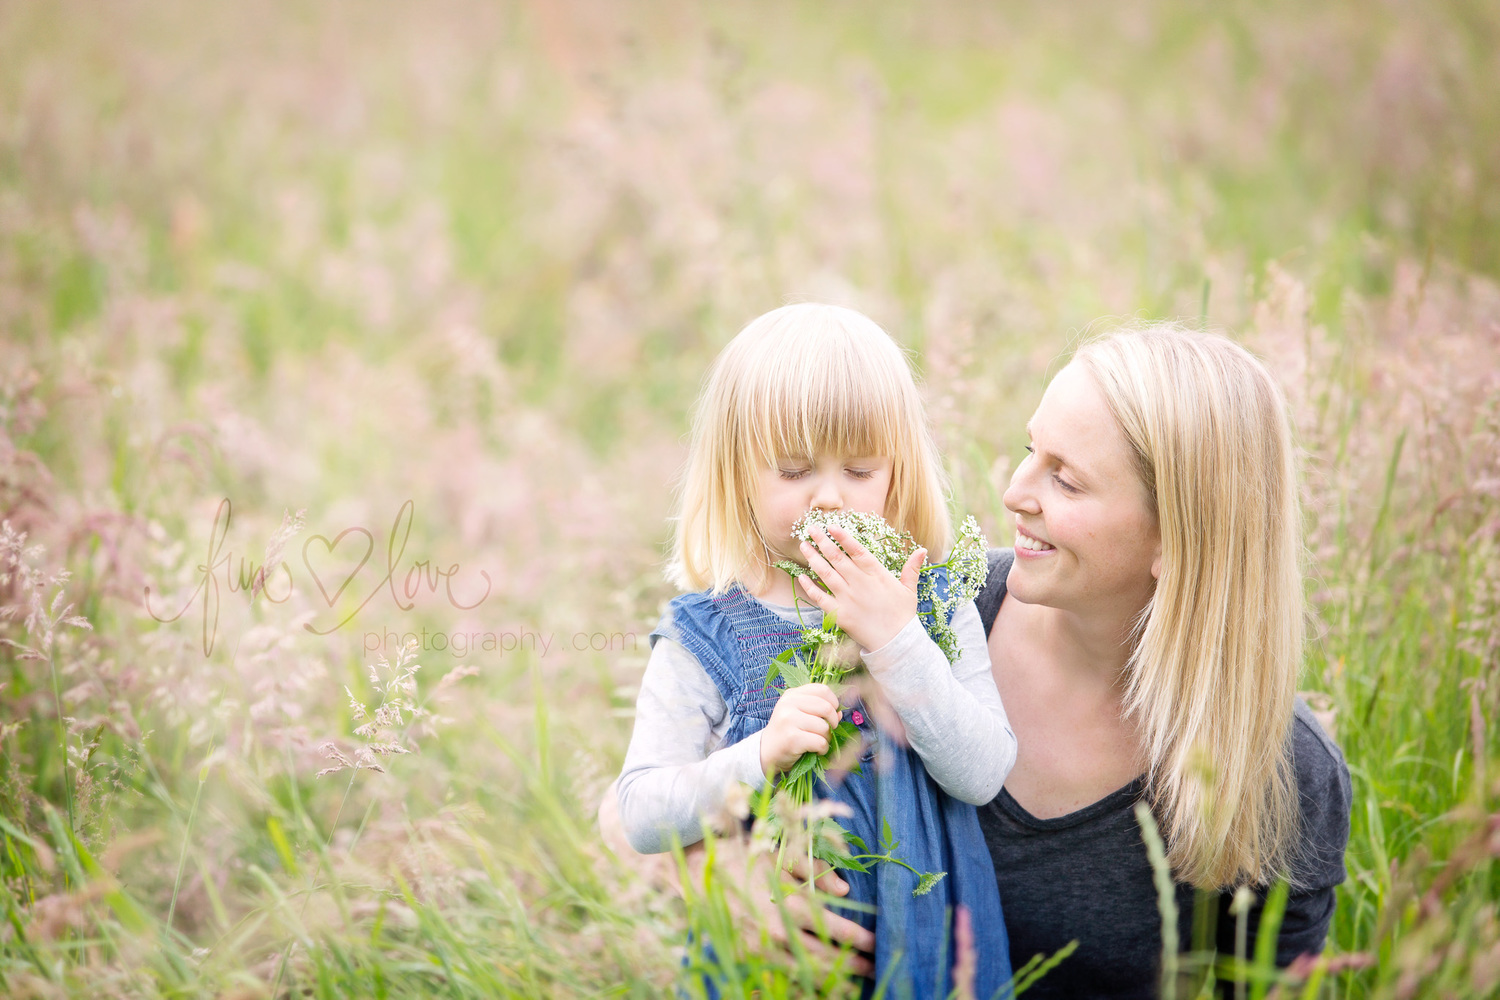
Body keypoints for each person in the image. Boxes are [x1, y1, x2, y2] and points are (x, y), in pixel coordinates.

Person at [612, 302, 1018, 998]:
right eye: (795, 470)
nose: (830, 498)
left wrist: (897, 641)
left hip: (926, 954)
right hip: (770, 966)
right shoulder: (704, 634)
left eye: (860, 469)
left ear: (898, 471)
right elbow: (642, 813)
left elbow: (982, 773)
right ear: (739, 474)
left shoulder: (935, 604)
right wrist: (755, 758)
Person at [972, 324, 1351, 996]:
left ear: (1176, 539)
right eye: (1031, 451)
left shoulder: (1280, 772)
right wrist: (735, 878)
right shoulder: (935, 618)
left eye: (1065, 480)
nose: (1015, 492)